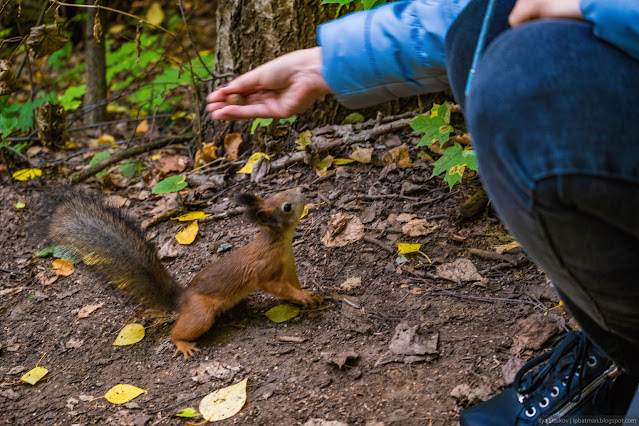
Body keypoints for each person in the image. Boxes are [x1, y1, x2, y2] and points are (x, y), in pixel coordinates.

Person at [206, 0, 639, 423]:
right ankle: (616, 345)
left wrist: (597, 7)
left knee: (520, 73)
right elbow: (479, 12)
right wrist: (329, 62)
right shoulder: (268, 248)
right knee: (479, 34)